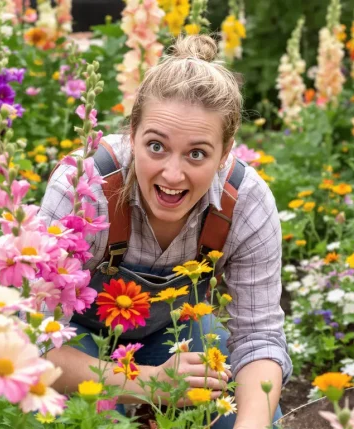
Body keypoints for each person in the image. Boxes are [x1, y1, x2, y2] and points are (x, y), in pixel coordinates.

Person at [39, 34, 291, 429]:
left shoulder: (245, 203)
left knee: (244, 411)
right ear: (132, 133)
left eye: (197, 153)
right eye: (156, 146)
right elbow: (35, 343)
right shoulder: (83, 189)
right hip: (77, 340)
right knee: (89, 417)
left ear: (225, 154)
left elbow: (259, 338)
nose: (172, 175)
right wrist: (150, 384)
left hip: (173, 334)